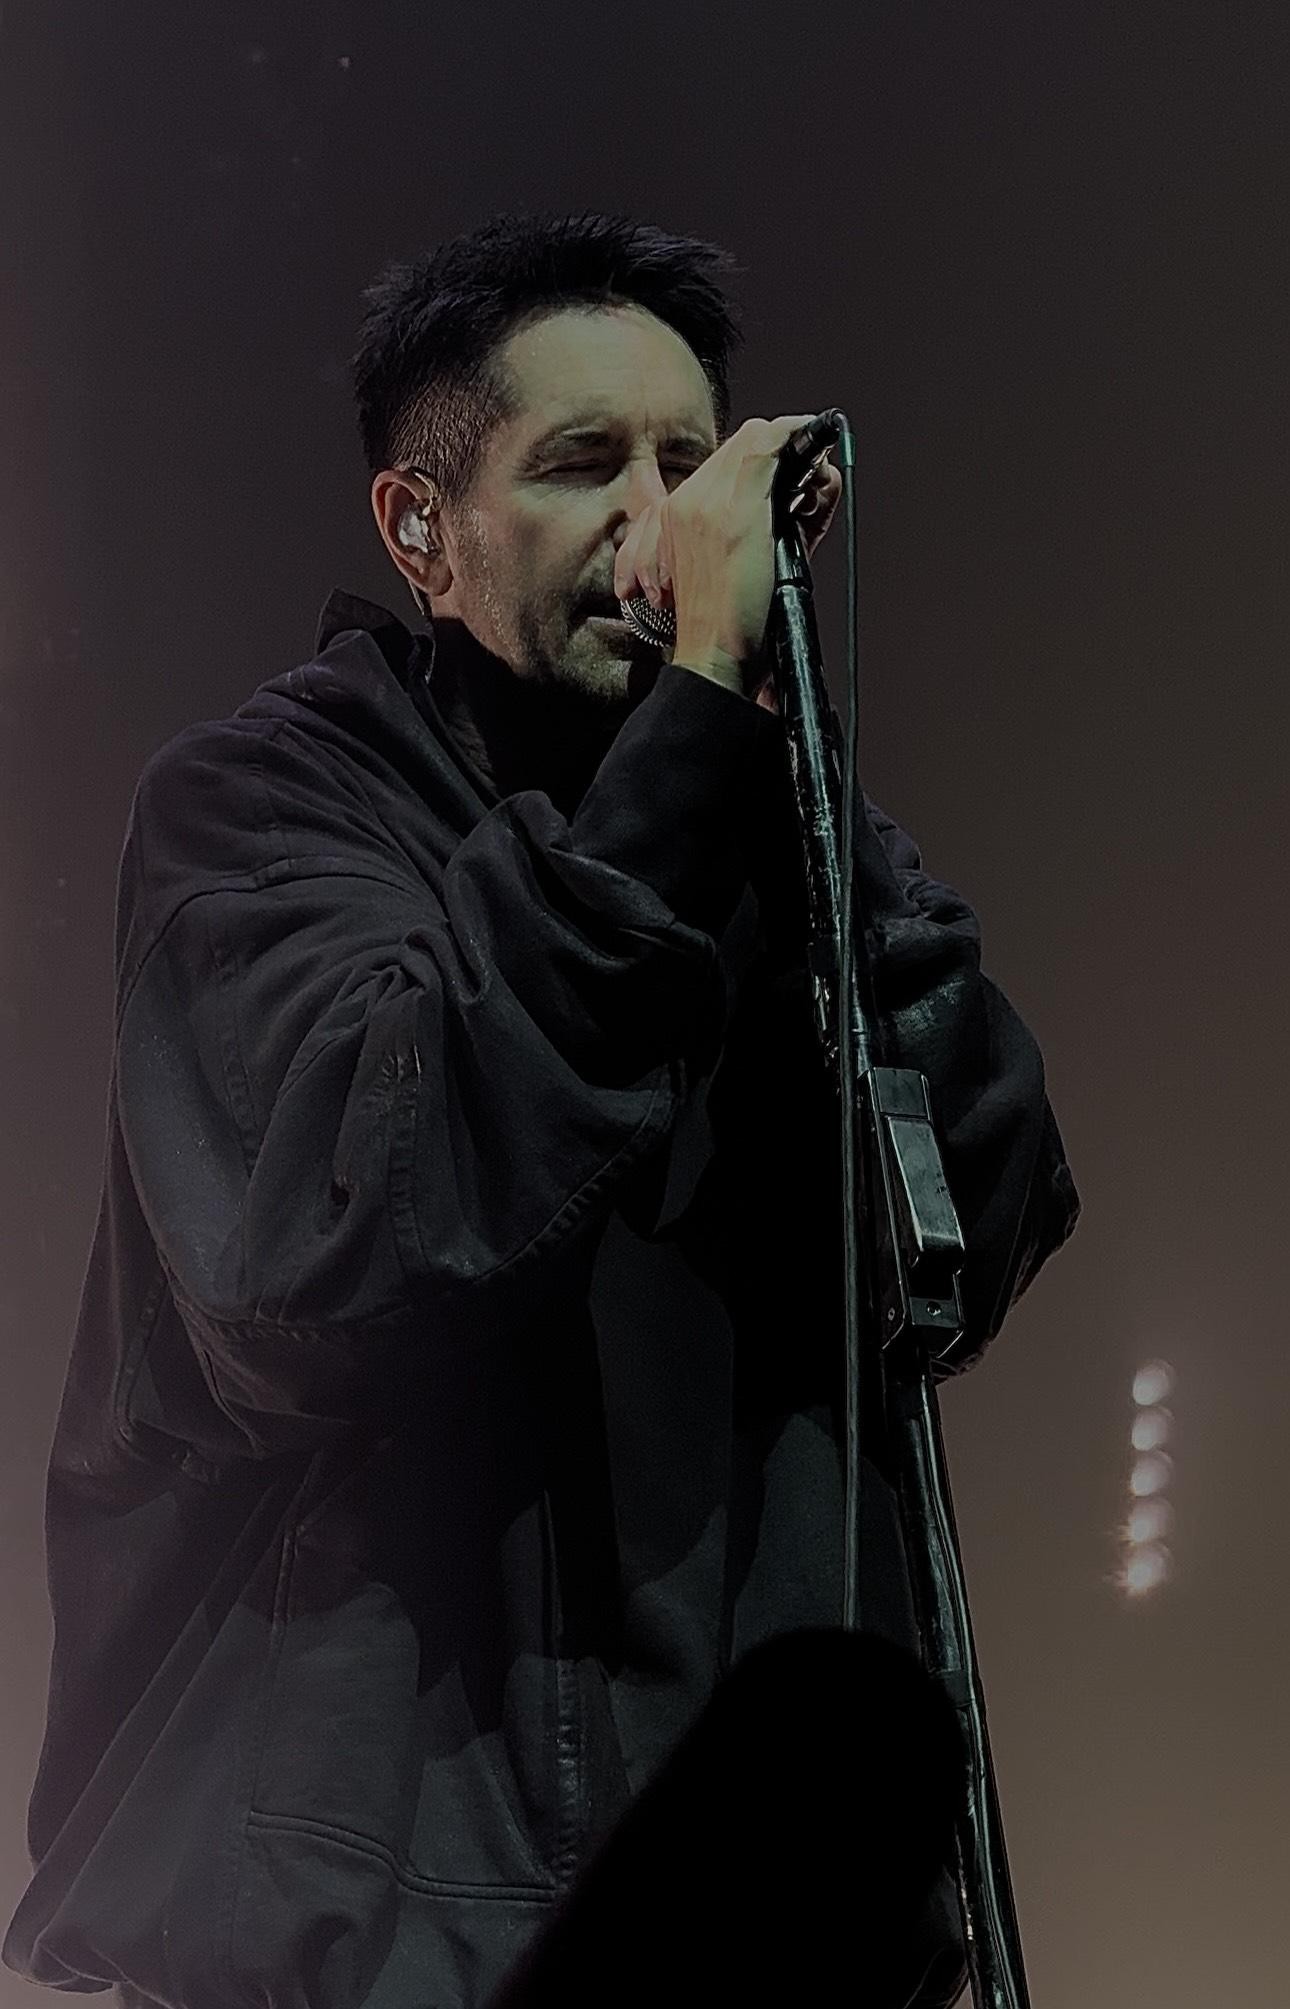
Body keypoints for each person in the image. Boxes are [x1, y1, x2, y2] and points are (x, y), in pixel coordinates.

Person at [3, 212, 1080, 2009]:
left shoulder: (770, 814)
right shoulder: (269, 813)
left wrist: (779, 786)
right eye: (582, 464)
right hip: (400, 1938)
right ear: (420, 528)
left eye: (686, 463)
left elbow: (980, 1214)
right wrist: (687, 769)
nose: (653, 522)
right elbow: (352, 1236)